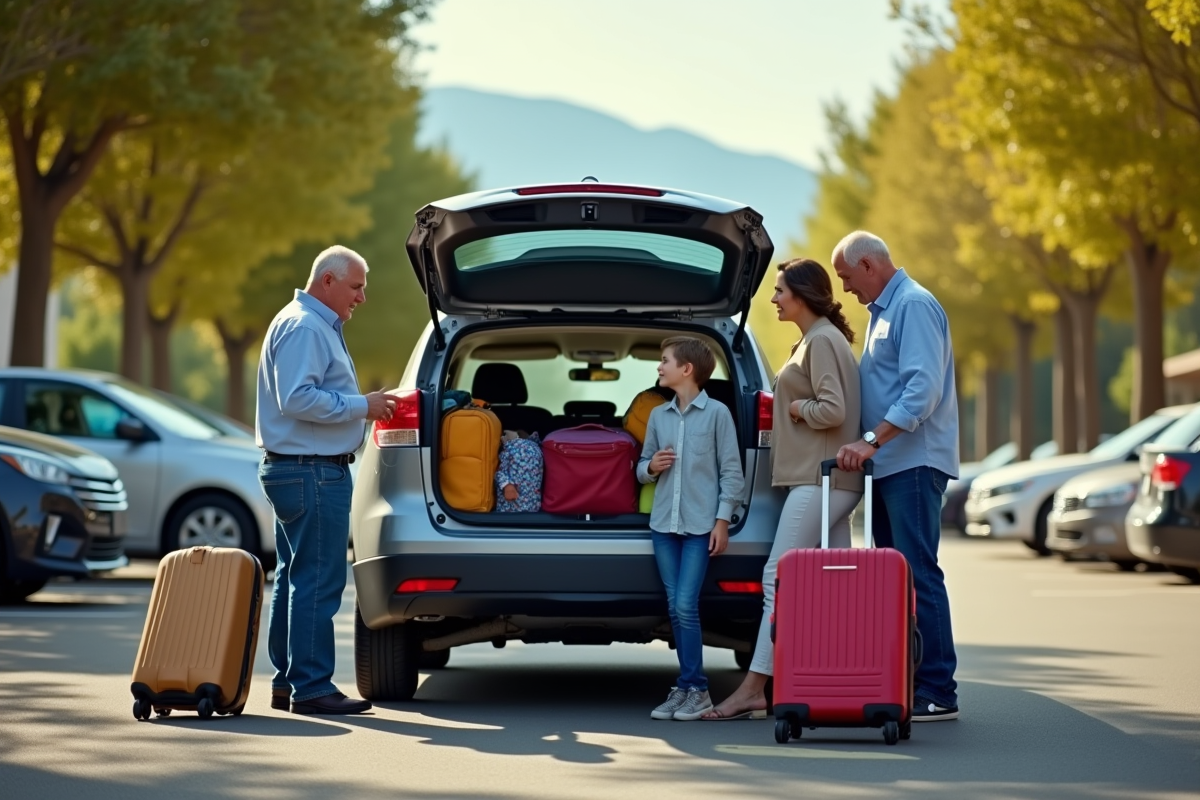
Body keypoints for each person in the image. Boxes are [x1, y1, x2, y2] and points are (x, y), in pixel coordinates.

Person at [704, 258, 863, 720]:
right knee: (835, 587)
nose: (773, 298)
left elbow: (832, 410)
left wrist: (795, 411)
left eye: (779, 290)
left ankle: (753, 689)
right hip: (822, 479)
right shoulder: (816, 339)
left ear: (802, 294)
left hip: (821, 479)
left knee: (779, 576)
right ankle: (841, 682)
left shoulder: (822, 341)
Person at [256, 245, 396, 715]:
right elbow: (297, 398)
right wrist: (363, 406)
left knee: (295, 578)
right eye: (356, 287)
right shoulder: (306, 327)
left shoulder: (305, 323)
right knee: (318, 580)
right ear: (328, 281)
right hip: (312, 470)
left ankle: (288, 682)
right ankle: (313, 687)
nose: (362, 297)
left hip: (298, 468)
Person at [832, 230, 961, 722]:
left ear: (869, 265)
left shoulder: (913, 305)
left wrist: (870, 440)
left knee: (917, 574)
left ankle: (939, 690)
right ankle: (907, 681)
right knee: (894, 580)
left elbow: (921, 391)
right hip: (889, 464)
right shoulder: (883, 312)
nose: (846, 287)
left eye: (847, 277)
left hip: (912, 462)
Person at [638, 336, 744, 722]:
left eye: (665, 360)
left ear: (687, 369)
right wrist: (651, 467)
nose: (659, 366)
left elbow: (732, 473)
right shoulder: (658, 416)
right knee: (674, 606)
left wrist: (722, 522)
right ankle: (685, 689)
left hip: (700, 526)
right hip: (663, 525)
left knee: (685, 605)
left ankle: (697, 688)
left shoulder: (718, 414)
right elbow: (641, 468)